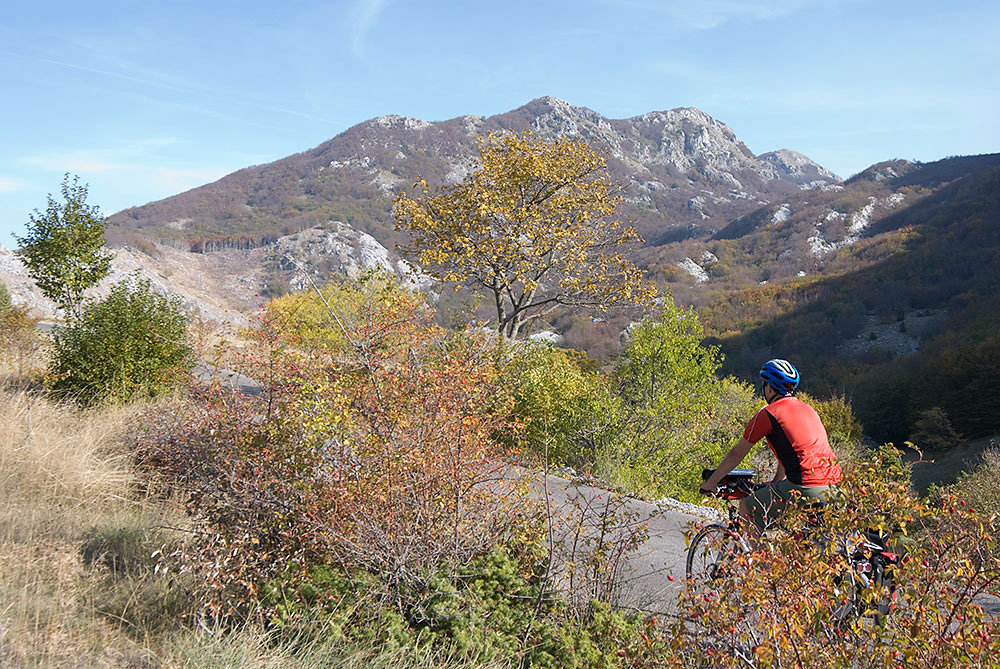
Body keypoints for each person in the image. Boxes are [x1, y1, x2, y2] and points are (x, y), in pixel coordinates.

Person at [700, 359, 841, 534]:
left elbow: (736, 454)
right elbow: (795, 450)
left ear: (769, 387)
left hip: (805, 486)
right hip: (835, 487)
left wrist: (712, 482)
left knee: (748, 507)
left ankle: (761, 561)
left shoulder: (768, 413)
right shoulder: (808, 409)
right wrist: (776, 481)